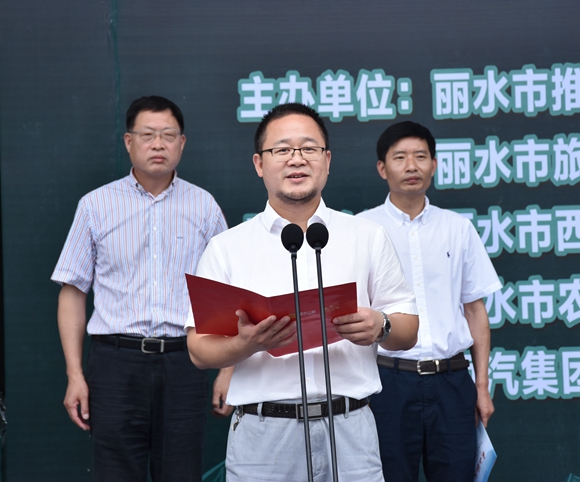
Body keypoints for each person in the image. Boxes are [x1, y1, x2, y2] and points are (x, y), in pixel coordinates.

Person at [186, 103, 419, 482]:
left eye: (309, 148)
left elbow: (408, 329)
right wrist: (247, 344)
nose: (297, 159)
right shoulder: (227, 247)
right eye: (282, 149)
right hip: (264, 437)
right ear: (259, 163)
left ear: (327, 160)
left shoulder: (366, 236)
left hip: (350, 429)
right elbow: (199, 349)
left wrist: (381, 325)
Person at [51, 96, 227, 482]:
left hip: (185, 362)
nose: (158, 144)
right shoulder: (95, 205)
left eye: (168, 135)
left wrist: (228, 369)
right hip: (115, 364)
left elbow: (223, 293)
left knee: (181, 472)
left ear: (182, 143)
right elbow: (73, 292)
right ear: (129, 142)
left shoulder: (204, 207)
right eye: (148, 135)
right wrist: (75, 374)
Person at [357, 121, 501, 481]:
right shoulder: (362, 230)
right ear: (382, 168)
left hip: (451, 381)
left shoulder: (458, 228)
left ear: (433, 165)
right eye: (400, 157)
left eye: (421, 157)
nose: (412, 166)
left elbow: (475, 311)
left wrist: (482, 387)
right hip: (387, 381)